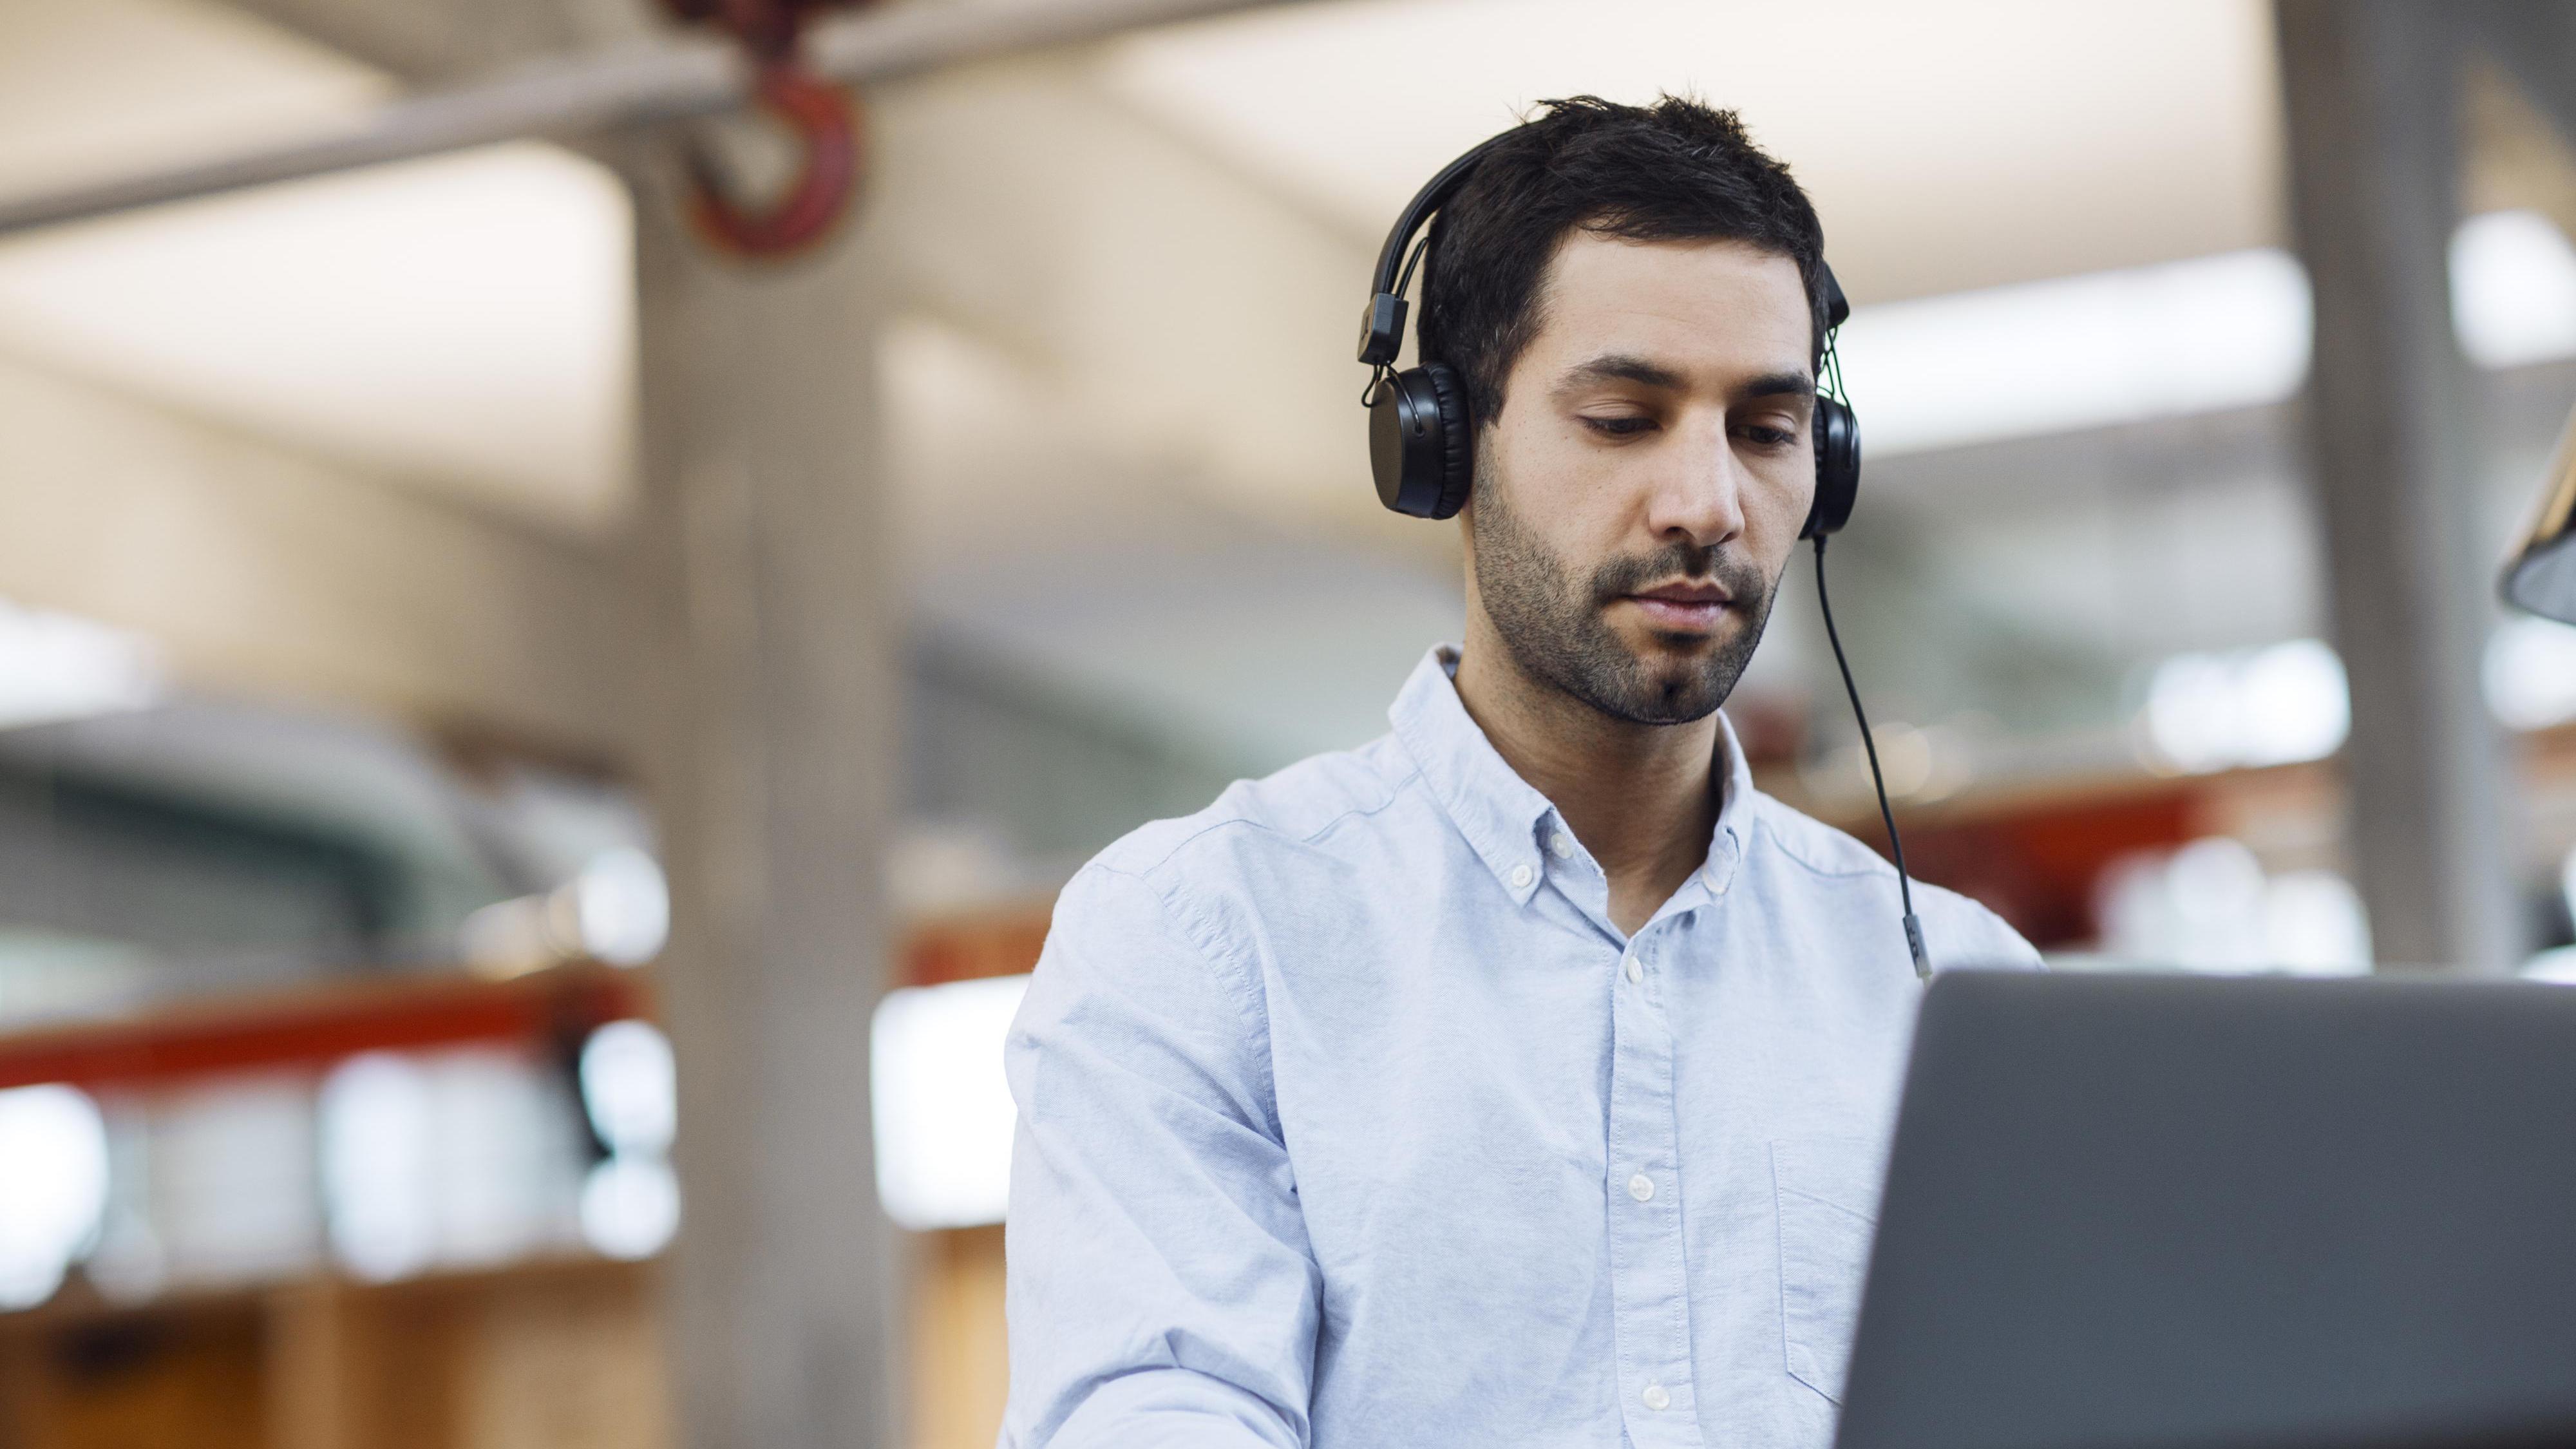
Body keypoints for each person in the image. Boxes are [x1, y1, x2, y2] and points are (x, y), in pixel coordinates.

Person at [998, 95, 2039, 1449]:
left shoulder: (1952, 994)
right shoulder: (1203, 937)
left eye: (1767, 430)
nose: (1706, 503)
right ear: (1441, 443)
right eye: (1621, 417)